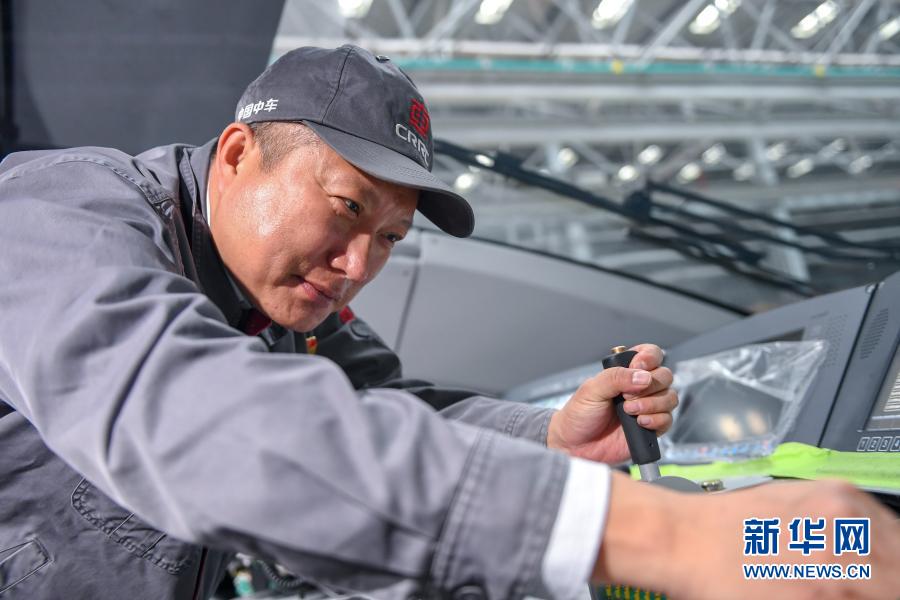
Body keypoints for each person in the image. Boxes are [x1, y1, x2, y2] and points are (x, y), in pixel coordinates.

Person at [0, 44, 895, 600]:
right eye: (347, 209)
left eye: (390, 238)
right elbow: (195, 418)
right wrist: (670, 536)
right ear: (239, 155)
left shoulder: (280, 297)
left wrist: (549, 439)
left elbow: (397, 410)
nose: (359, 266)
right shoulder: (58, 220)